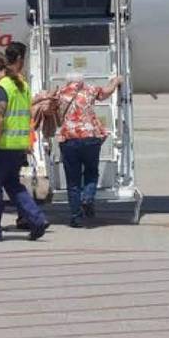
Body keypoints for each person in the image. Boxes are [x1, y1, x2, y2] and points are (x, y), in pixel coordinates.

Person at [0, 51, 48, 242]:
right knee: (14, 186)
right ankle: (37, 219)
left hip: (3, 147)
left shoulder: (1, 89)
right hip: (19, 146)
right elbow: (27, 114)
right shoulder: (22, 86)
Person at [47, 74, 121, 227]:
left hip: (69, 140)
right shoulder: (89, 90)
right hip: (90, 138)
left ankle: (76, 217)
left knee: (73, 181)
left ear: (68, 82)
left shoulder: (59, 93)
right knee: (91, 172)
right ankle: (88, 197)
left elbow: (49, 111)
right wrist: (115, 81)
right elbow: (106, 92)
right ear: (81, 82)